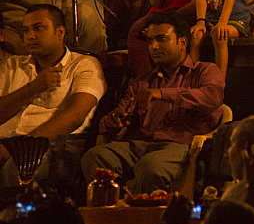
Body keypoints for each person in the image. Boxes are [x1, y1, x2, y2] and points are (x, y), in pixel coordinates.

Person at [82, 10, 224, 193]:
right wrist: (114, 121)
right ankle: (110, 215)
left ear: (182, 42)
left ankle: (145, 219)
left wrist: (162, 94)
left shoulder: (204, 71)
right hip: (141, 144)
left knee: (150, 167)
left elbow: (212, 97)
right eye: (150, 41)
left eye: (161, 39)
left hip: (179, 146)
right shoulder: (144, 80)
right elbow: (118, 119)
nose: (154, 46)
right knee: (94, 157)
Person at [0, 4, 104, 186]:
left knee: (18, 166)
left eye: (39, 28)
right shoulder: (12, 66)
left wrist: (21, 148)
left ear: (60, 32)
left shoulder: (83, 65)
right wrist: (33, 88)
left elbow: (75, 116)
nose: (30, 36)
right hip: (5, 144)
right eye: (26, 30)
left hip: (51, 150)